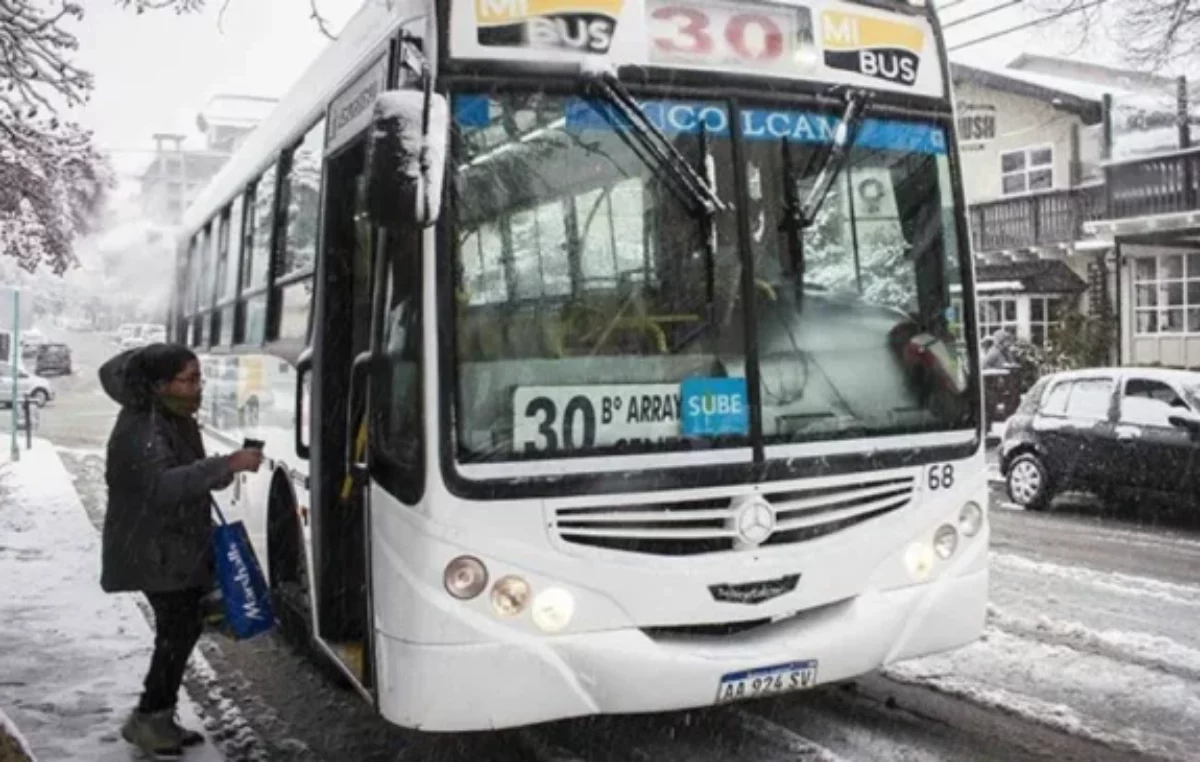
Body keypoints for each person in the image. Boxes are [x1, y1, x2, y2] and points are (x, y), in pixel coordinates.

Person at [98, 343, 264, 757]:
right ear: (159, 384)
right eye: (188, 379)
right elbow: (161, 486)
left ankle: (155, 715)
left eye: (198, 378)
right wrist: (226, 465)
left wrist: (226, 468)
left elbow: (191, 475)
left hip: (172, 546)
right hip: (154, 549)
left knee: (183, 629)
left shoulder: (171, 417)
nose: (197, 388)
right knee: (177, 631)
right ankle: (150, 718)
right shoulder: (144, 426)